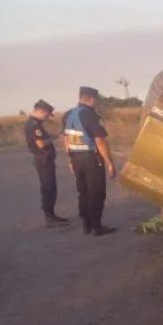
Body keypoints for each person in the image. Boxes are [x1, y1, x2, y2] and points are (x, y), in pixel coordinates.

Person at [62, 86, 117, 236]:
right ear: (92, 99)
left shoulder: (68, 115)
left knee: (83, 192)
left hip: (76, 158)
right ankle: (96, 226)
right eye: (96, 101)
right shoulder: (88, 114)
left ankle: (86, 225)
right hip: (91, 159)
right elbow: (99, 141)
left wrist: (69, 160)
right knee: (96, 192)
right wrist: (110, 163)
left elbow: (66, 138)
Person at [25, 99, 69, 227]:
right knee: (48, 188)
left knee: (48, 187)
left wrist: (52, 136)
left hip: (43, 160)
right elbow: (41, 144)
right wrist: (54, 138)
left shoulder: (33, 123)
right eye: (47, 114)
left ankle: (51, 215)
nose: (47, 118)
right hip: (43, 160)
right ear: (41, 111)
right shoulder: (34, 125)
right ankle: (50, 217)